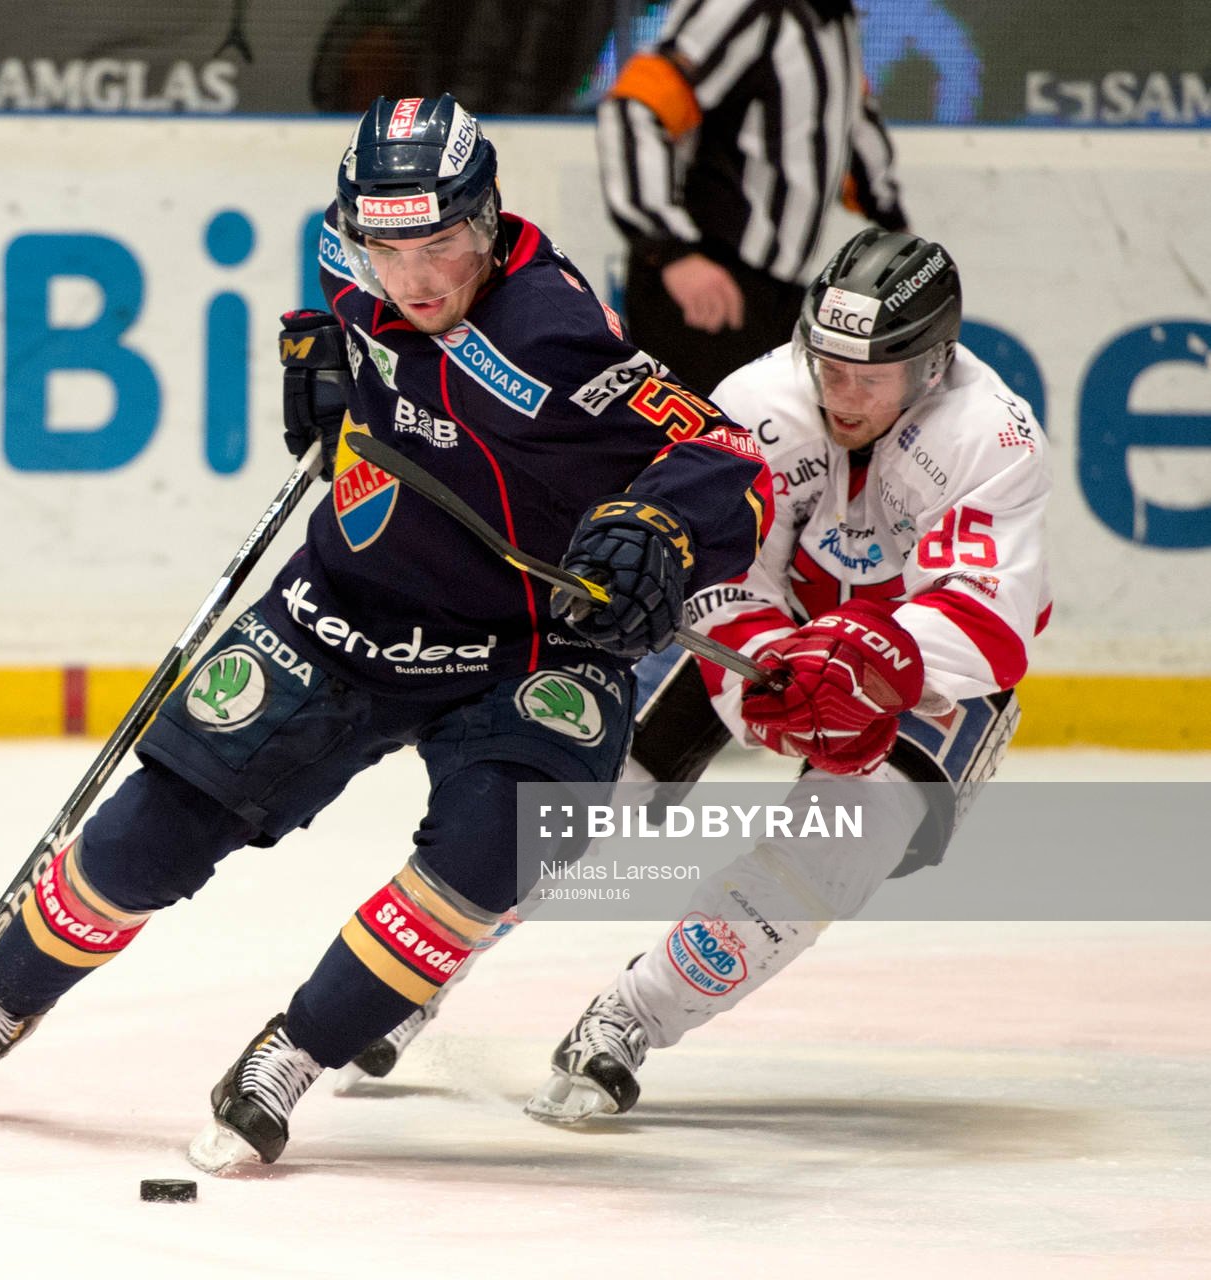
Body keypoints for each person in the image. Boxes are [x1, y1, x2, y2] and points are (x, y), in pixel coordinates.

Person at [0, 93, 772, 1172]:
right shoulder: (350, 257)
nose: (415, 277)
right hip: (346, 607)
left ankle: (293, 1055)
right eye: (389, 247)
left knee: (497, 849)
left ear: (488, 222)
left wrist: (661, 526)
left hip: (530, 642)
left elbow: (728, 456)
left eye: (440, 246)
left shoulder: (551, 333)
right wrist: (319, 346)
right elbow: (349, 305)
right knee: (153, 828)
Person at [349, 229, 1052, 1125]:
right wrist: (765, 676)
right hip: (764, 633)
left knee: (837, 851)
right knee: (574, 792)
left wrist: (857, 661)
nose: (839, 395)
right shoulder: (758, 398)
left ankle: (632, 1017)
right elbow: (722, 564)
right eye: (827, 366)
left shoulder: (993, 436)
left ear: (931, 365)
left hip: (918, 666)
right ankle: (415, 973)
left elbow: (989, 621)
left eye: (867, 377)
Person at [598, 0, 908, 393]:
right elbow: (635, 109)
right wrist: (669, 250)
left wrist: (898, 233)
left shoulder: (832, 17)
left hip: (775, 295)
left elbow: (846, 130)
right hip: (708, 282)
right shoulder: (747, 7)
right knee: (706, 432)